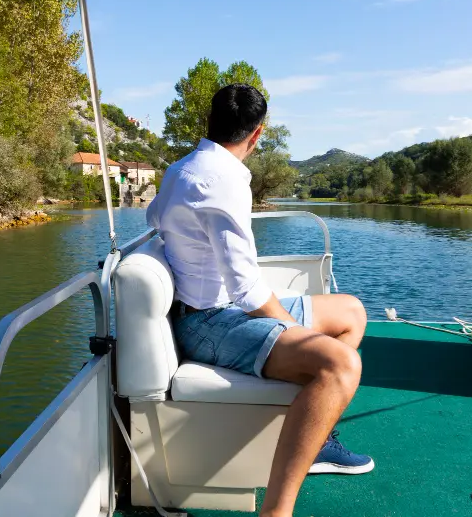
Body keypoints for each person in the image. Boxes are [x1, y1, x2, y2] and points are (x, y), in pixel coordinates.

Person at [146, 83, 372, 517]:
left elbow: (154, 216)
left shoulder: (178, 170)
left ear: (209, 122)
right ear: (257, 134)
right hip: (209, 323)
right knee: (341, 364)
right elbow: (247, 290)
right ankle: (277, 511)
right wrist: (295, 330)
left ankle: (316, 436)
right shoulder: (224, 180)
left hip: (207, 310)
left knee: (350, 312)